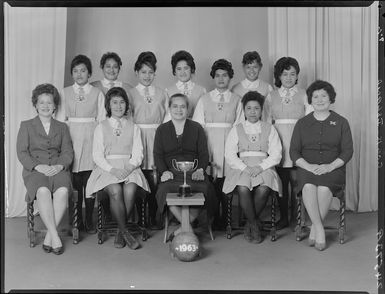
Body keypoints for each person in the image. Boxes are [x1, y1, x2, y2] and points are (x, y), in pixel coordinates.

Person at [290, 80, 353, 251]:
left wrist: (330, 166)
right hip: (306, 168)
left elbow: (347, 151)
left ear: (331, 98)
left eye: (323, 96)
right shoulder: (302, 123)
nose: (319, 99)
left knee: (324, 188)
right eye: (315, 96)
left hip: (333, 169)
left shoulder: (341, 122)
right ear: (310, 100)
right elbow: (294, 152)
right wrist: (309, 167)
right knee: (309, 186)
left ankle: (314, 228)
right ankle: (318, 229)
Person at [86, 87, 150, 250]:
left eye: (122, 102)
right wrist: (113, 170)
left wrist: (128, 168)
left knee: (130, 189)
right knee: (115, 190)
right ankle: (125, 232)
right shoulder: (101, 127)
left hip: (129, 167)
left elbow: (138, 153)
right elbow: (97, 155)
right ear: (108, 105)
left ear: (126, 105)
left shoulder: (134, 127)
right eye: (114, 102)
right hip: (107, 169)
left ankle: (121, 233)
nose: (118, 106)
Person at [17, 83, 74, 255]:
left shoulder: (62, 127)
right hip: (35, 171)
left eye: (49, 102)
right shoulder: (26, 125)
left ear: (55, 105)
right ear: (35, 105)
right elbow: (22, 152)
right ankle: (55, 236)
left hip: (58, 169)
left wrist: (59, 166)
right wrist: (38, 166)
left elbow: (67, 152)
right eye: (42, 102)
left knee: (63, 191)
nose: (45, 106)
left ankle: (50, 236)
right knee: (42, 191)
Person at [154, 93, 218, 239]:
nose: (179, 110)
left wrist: (201, 170)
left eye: (182, 106)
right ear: (169, 108)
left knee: (205, 189)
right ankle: (188, 228)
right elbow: (157, 154)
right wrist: (164, 171)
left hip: (194, 172)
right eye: (175, 106)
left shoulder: (196, 128)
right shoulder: (162, 129)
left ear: (188, 109)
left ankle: (180, 230)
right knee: (164, 190)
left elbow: (203, 154)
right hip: (171, 173)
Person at [223, 91, 282, 243]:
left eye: (256, 108)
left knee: (264, 188)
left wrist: (261, 167)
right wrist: (244, 168)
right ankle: (255, 225)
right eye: (249, 108)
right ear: (244, 110)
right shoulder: (237, 129)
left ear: (261, 110)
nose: (253, 112)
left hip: (264, 166)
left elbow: (276, 154)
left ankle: (250, 223)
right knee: (242, 187)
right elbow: (229, 154)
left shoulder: (270, 128)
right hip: (242, 167)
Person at [56, 54, 106, 234]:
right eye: (75, 71)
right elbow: (60, 119)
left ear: (90, 73)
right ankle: (74, 219)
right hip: (72, 136)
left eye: (83, 70)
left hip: (91, 136)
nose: (79, 74)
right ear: (72, 73)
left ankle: (88, 220)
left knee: (89, 179)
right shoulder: (64, 92)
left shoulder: (97, 93)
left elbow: (101, 120)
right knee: (73, 180)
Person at [263, 57, 313, 229]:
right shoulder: (271, 96)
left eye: (293, 74)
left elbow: (310, 120)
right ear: (278, 76)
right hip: (278, 142)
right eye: (285, 74)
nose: (289, 78)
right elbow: (267, 122)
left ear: (297, 75)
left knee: (298, 181)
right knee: (282, 183)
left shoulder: (304, 94)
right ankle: (284, 216)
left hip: (298, 141)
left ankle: (299, 216)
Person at [192, 58, 243, 228]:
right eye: (218, 75)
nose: (221, 79)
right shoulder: (204, 99)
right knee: (210, 180)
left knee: (226, 181)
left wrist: (235, 147)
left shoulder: (237, 99)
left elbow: (239, 125)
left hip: (229, 142)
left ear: (230, 78)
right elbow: (198, 125)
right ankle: (210, 217)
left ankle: (225, 217)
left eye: (225, 75)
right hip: (209, 142)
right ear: (213, 77)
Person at [128, 51, 168, 229]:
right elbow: (126, 118)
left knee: (155, 177)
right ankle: (140, 216)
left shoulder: (161, 93)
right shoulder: (129, 93)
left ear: (155, 74)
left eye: (150, 72)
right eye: (143, 72)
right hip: (137, 136)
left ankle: (154, 214)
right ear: (137, 73)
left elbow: (167, 117)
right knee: (138, 175)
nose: (147, 76)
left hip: (156, 136)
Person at [165, 50, 206, 119]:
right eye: (179, 69)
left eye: (186, 68)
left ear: (191, 69)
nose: (182, 72)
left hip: (195, 128)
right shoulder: (168, 91)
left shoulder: (202, 91)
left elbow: (203, 116)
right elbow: (167, 116)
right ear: (174, 71)